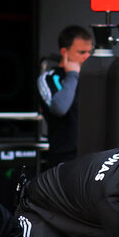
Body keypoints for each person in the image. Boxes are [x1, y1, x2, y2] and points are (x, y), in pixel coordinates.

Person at [38, 25, 91, 169]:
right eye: (81, 52)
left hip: (92, 155)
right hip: (63, 158)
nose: (87, 57)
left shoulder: (92, 78)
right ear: (64, 52)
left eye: (89, 52)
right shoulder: (49, 78)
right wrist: (72, 75)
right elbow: (60, 107)